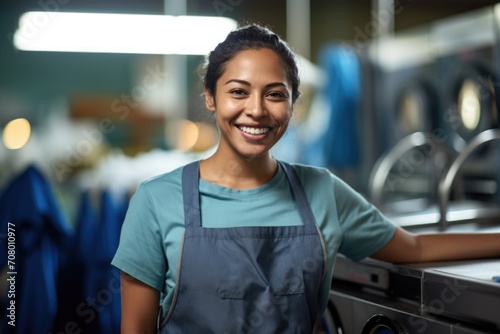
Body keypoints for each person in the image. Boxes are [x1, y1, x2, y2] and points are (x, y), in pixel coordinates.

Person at [111, 24, 500, 334]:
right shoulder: (156, 201)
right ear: (211, 97)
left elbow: (412, 249)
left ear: (293, 104)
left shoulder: (322, 191)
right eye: (238, 92)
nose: (256, 110)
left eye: (275, 95)